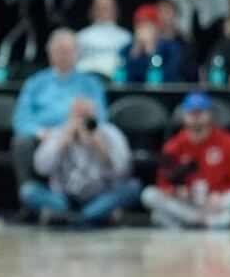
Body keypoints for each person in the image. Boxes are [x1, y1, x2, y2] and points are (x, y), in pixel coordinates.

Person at [19, 96, 143, 226]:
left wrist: (100, 148)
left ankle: (76, 217)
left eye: (86, 116)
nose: (82, 121)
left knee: (132, 187)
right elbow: (41, 168)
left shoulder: (110, 133)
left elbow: (123, 172)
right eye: (78, 116)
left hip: (99, 197)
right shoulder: (58, 134)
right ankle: (86, 218)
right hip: (63, 198)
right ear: (69, 117)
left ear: (95, 115)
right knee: (28, 191)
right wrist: (62, 145)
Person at [11, 29, 109, 186]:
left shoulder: (91, 84)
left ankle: (85, 199)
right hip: (44, 137)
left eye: (68, 51)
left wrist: (79, 130)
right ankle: (29, 195)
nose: (63, 55)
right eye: (58, 50)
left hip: (80, 138)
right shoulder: (35, 83)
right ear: (49, 53)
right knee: (21, 142)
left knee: (100, 140)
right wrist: (40, 132)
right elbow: (21, 119)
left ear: (77, 53)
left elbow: (101, 119)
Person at [140, 92, 230, 228]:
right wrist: (176, 191)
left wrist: (219, 193)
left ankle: (187, 223)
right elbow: (163, 181)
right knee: (149, 195)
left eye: (200, 113)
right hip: (186, 202)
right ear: (184, 116)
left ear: (210, 114)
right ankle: (199, 221)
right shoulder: (173, 146)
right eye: (192, 113)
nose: (196, 118)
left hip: (214, 202)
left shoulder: (229, 142)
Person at [75, 0, 133, 79]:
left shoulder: (126, 38)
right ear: (92, 10)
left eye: (107, 7)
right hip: (85, 83)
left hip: (115, 84)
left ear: (115, 10)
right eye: (99, 7)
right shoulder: (80, 37)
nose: (103, 11)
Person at [124, 5, 186, 84]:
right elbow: (125, 80)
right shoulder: (126, 49)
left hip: (163, 94)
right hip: (131, 95)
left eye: (147, 25)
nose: (143, 30)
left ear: (157, 27)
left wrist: (152, 51)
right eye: (140, 25)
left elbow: (170, 77)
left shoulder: (170, 48)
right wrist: (135, 52)